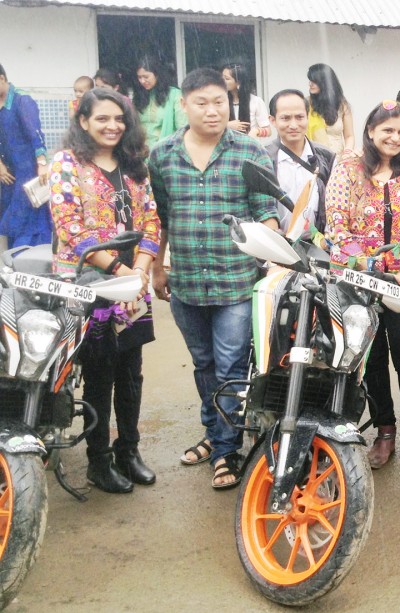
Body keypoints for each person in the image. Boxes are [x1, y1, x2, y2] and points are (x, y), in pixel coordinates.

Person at [148, 68, 279, 489]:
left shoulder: (250, 151)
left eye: (219, 101)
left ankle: (226, 450)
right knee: (204, 365)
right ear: (183, 105)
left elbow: (266, 211)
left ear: (230, 103)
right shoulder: (163, 154)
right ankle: (214, 431)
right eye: (201, 103)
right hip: (185, 280)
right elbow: (161, 217)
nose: (212, 110)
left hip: (236, 282)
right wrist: (157, 266)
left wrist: (276, 259)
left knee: (230, 366)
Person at [49, 88, 161, 492]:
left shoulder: (134, 165)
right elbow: (69, 227)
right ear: (83, 121)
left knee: (131, 372)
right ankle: (98, 461)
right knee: (100, 373)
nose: (112, 126)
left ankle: (128, 451)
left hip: (133, 282)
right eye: (102, 119)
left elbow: (151, 220)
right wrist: (121, 270)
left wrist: (143, 269)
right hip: (89, 283)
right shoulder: (66, 163)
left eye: (119, 119)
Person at [326, 100, 400, 474]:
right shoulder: (346, 169)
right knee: (371, 359)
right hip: (359, 283)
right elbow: (337, 229)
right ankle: (385, 432)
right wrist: (371, 267)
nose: (394, 137)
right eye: (387, 130)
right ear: (371, 131)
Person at [265, 89, 335, 236]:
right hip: (278, 246)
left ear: (307, 117)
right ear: (272, 120)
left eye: (299, 117)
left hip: (317, 248)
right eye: (285, 118)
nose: (294, 125)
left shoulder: (326, 157)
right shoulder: (264, 158)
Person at [0, 62, 50, 249]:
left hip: (28, 173)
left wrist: (42, 164)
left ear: (2, 79)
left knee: (29, 220)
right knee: (11, 222)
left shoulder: (22, 101)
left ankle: (32, 262)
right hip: (8, 177)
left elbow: (36, 136)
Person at [134, 57, 186, 144]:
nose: (142, 81)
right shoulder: (139, 96)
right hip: (140, 151)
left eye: (146, 77)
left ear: (157, 75)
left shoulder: (174, 95)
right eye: (139, 77)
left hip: (166, 151)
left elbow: (182, 128)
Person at [305, 63, 354, 155]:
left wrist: (347, 153)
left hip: (338, 160)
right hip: (314, 160)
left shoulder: (342, 105)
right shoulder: (305, 104)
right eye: (310, 80)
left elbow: (349, 136)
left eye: (314, 81)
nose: (310, 84)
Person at [221, 63, 270, 139]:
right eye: (222, 78)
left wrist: (256, 131)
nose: (222, 81)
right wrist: (226, 126)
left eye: (227, 79)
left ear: (238, 82)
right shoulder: (220, 101)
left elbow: (268, 131)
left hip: (250, 147)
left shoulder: (256, 101)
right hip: (226, 147)